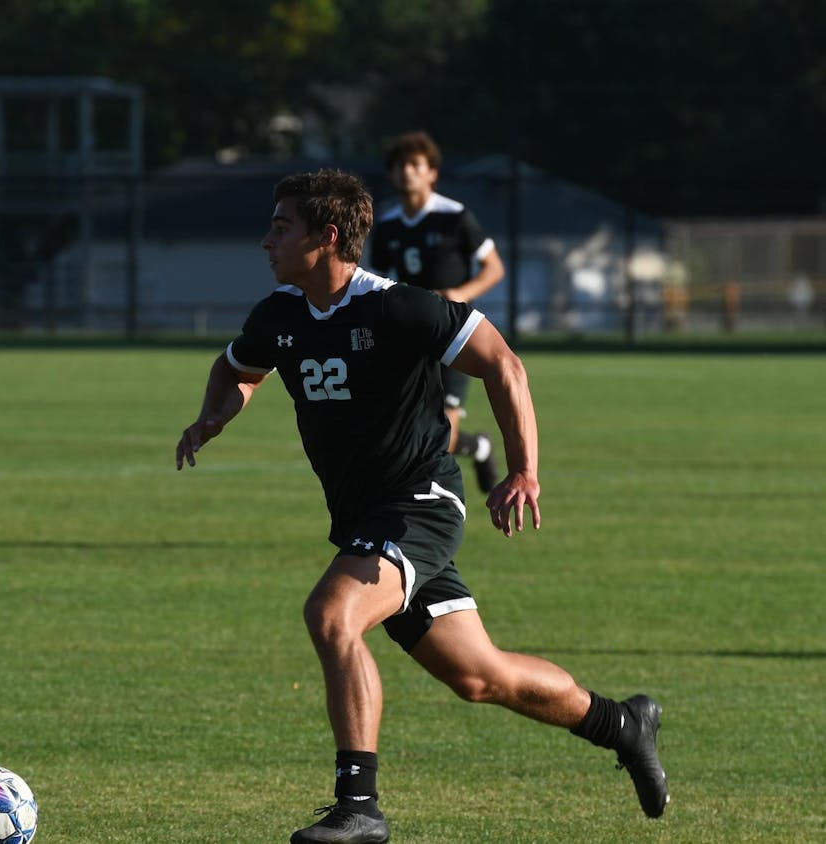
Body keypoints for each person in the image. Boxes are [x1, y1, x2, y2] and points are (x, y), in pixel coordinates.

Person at [175, 169, 667, 843]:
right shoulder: (280, 316)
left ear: (325, 236)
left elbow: (504, 364)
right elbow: (236, 368)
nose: (266, 241)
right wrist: (213, 418)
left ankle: (359, 806)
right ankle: (623, 724)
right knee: (480, 677)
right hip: (366, 520)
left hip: (420, 505)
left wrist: (523, 470)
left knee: (331, 614)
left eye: (280, 227)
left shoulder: (398, 308)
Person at [367, 131, 504, 493]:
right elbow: (380, 277)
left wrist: (460, 293)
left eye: (415, 165)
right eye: (399, 166)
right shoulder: (388, 224)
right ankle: (478, 447)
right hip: (410, 337)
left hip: (454, 334)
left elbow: (494, 268)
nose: (406, 173)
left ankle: (434, 502)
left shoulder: (454, 216)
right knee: (409, 429)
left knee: (441, 435)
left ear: (432, 173)